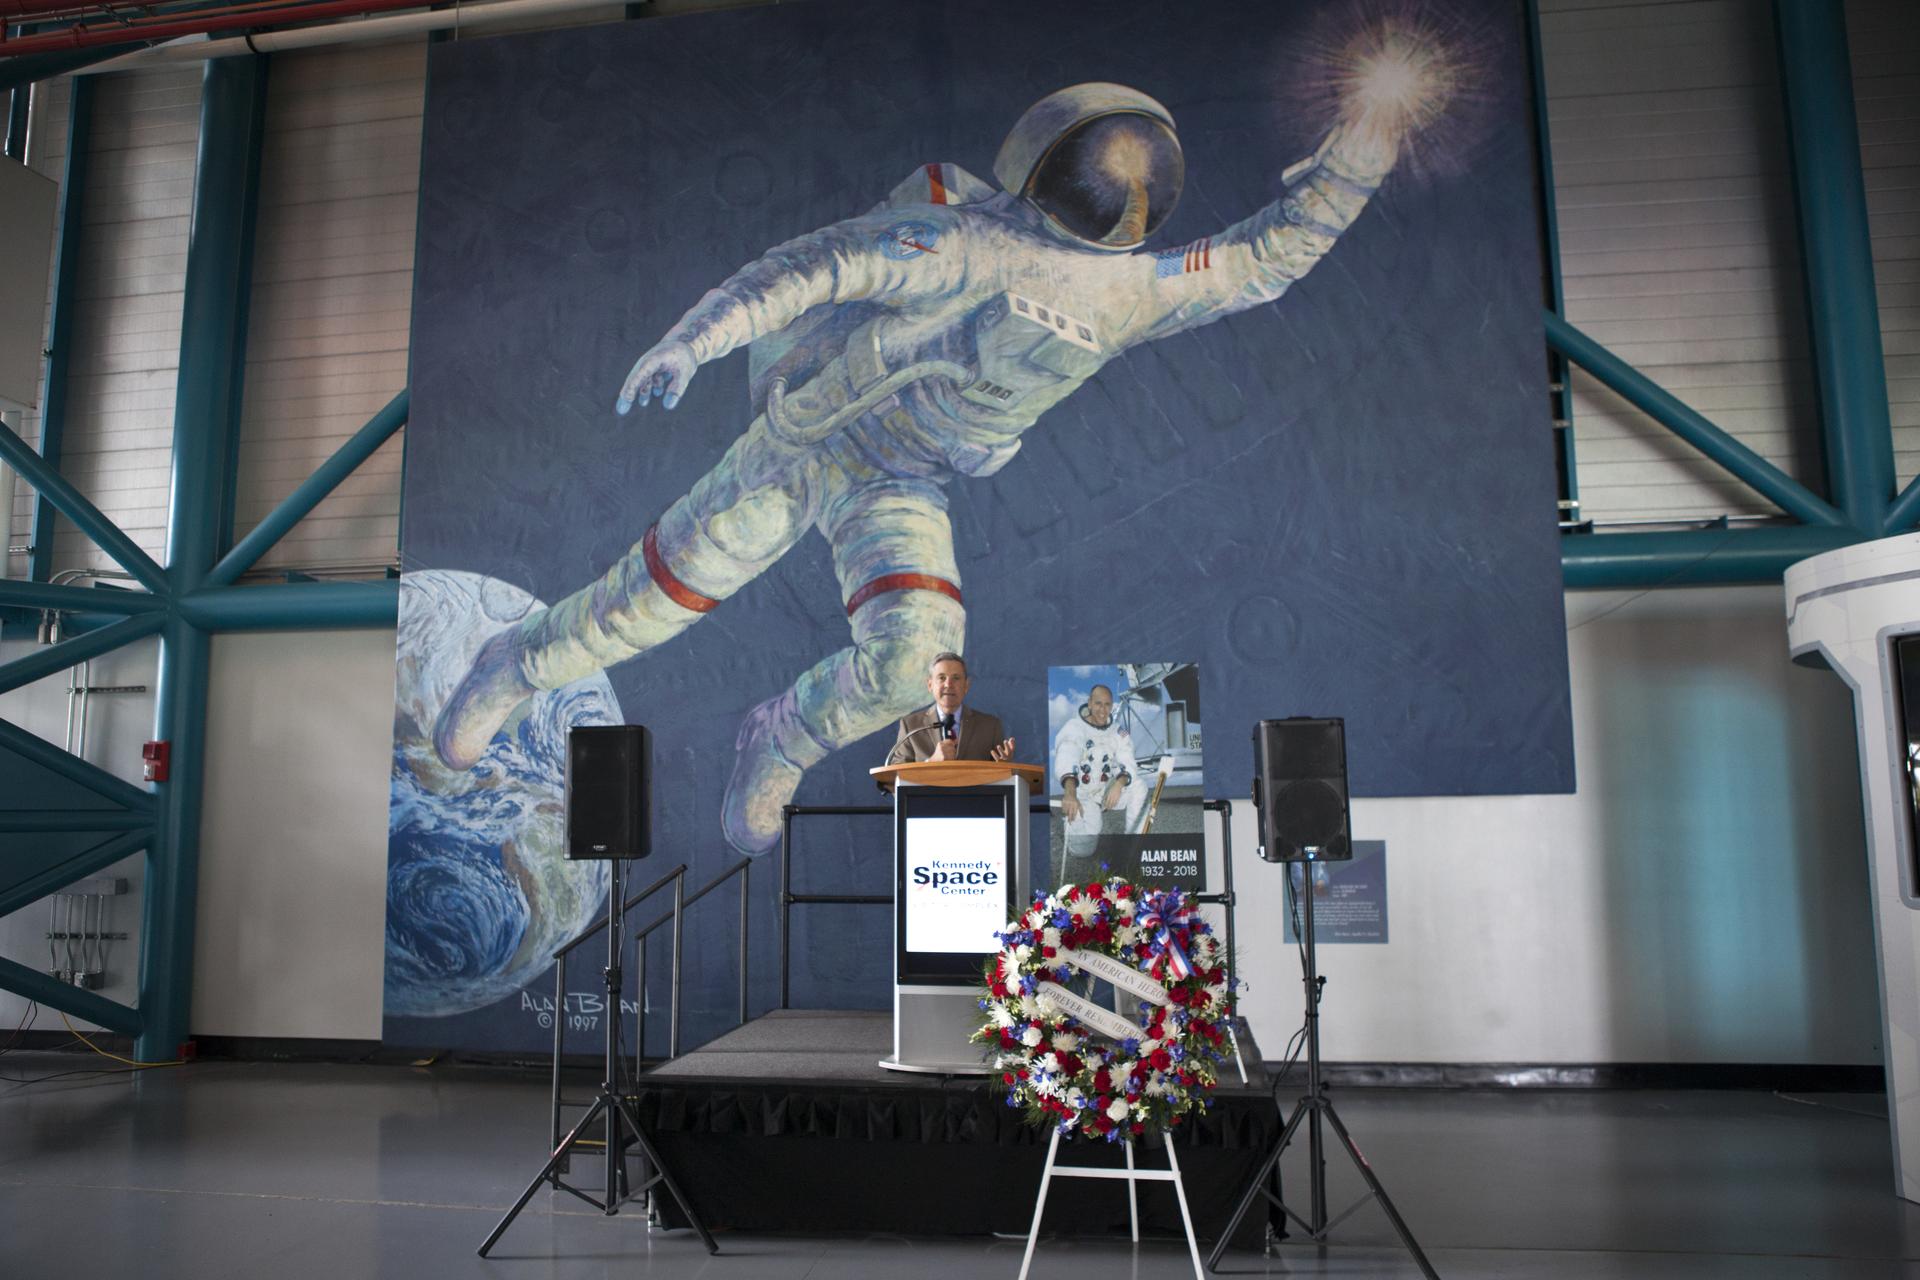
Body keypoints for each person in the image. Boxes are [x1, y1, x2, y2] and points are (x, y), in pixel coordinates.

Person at [431, 46, 1448, 857]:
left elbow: (1271, 256)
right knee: (656, 598)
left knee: (917, 665)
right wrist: (699, 339)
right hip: (813, 439)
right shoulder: (958, 242)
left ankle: (781, 734)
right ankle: (517, 663)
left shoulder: (1132, 289)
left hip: (902, 481)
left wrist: (1360, 150)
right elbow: (820, 269)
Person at [1053, 684, 1147, 878]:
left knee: (1139, 787)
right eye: (1098, 704)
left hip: (1106, 791)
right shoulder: (1074, 728)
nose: (1103, 710)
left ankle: (1133, 845)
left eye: (1107, 705)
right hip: (1082, 795)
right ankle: (1073, 823)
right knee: (1083, 851)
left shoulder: (1117, 732)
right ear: (1089, 703)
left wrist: (1119, 783)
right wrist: (1070, 794)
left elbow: (1128, 761)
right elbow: (1067, 756)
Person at [886, 652, 1015, 765]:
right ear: (930, 685)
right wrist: (931, 763)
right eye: (942, 678)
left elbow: (999, 772)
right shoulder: (911, 726)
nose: (948, 684)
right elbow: (896, 775)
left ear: (966, 686)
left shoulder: (990, 726)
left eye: (956, 678)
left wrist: (1004, 767)